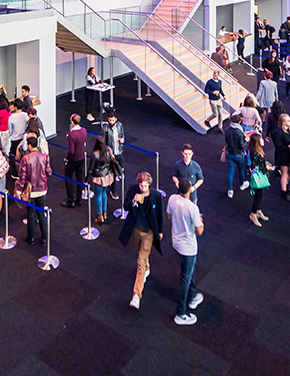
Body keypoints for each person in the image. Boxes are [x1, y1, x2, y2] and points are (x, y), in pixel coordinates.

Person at [119, 172, 164, 310]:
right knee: (141, 254)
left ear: (149, 184)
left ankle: (136, 295)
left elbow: (159, 214)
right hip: (136, 229)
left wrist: (160, 231)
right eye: (141, 185)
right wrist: (133, 201)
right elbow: (125, 206)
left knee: (140, 261)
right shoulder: (133, 190)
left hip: (149, 232)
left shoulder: (155, 196)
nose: (143, 188)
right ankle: (147, 268)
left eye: (145, 186)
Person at [168, 177, 204, 326]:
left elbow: (169, 217)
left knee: (189, 272)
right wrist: (201, 221)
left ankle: (193, 296)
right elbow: (200, 231)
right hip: (189, 247)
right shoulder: (192, 208)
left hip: (176, 242)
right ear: (190, 189)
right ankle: (181, 313)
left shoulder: (172, 199)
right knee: (185, 278)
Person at [15, 137, 52, 246]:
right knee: (40, 213)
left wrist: (18, 191)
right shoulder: (45, 157)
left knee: (30, 214)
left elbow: (22, 177)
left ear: (30, 145)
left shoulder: (25, 158)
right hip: (42, 189)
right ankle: (45, 238)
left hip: (30, 191)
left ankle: (30, 238)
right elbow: (49, 172)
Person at [87, 138, 117, 225]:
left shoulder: (95, 154)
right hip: (108, 176)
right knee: (104, 194)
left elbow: (90, 169)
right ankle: (105, 213)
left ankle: (100, 216)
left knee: (98, 196)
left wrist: (86, 179)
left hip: (98, 178)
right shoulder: (108, 150)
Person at [246, 133, 273, 227]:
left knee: (259, 195)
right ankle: (253, 214)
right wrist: (265, 168)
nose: (263, 141)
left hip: (261, 174)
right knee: (259, 196)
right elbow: (253, 167)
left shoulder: (259, 150)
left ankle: (258, 211)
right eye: (261, 139)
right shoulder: (254, 152)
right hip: (259, 177)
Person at [62, 114, 88, 208]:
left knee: (68, 178)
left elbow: (71, 151)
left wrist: (67, 159)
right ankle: (79, 199)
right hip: (81, 157)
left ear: (72, 122)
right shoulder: (84, 130)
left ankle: (70, 200)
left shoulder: (72, 134)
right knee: (79, 177)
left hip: (73, 159)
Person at [224, 113, 248, 198]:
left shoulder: (227, 130)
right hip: (239, 154)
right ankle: (241, 185)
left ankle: (230, 190)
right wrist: (246, 140)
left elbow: (226, 141)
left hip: (230, 153)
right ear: (239, 121)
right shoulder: (239, 132)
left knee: (231, 171)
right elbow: (242, 145)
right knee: (241, 170)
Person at [102, 111, 125, 198]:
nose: (111, 122)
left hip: (119, 151)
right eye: (109, 120)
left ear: (116, 119)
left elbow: (122, 135)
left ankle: (117, 177)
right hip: (111, 154)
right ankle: (113, 190)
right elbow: (103, 141)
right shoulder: (106, 128)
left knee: (121, 168)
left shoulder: (119, 125)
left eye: (112, 120)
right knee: (113, 173)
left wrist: (122, 139)